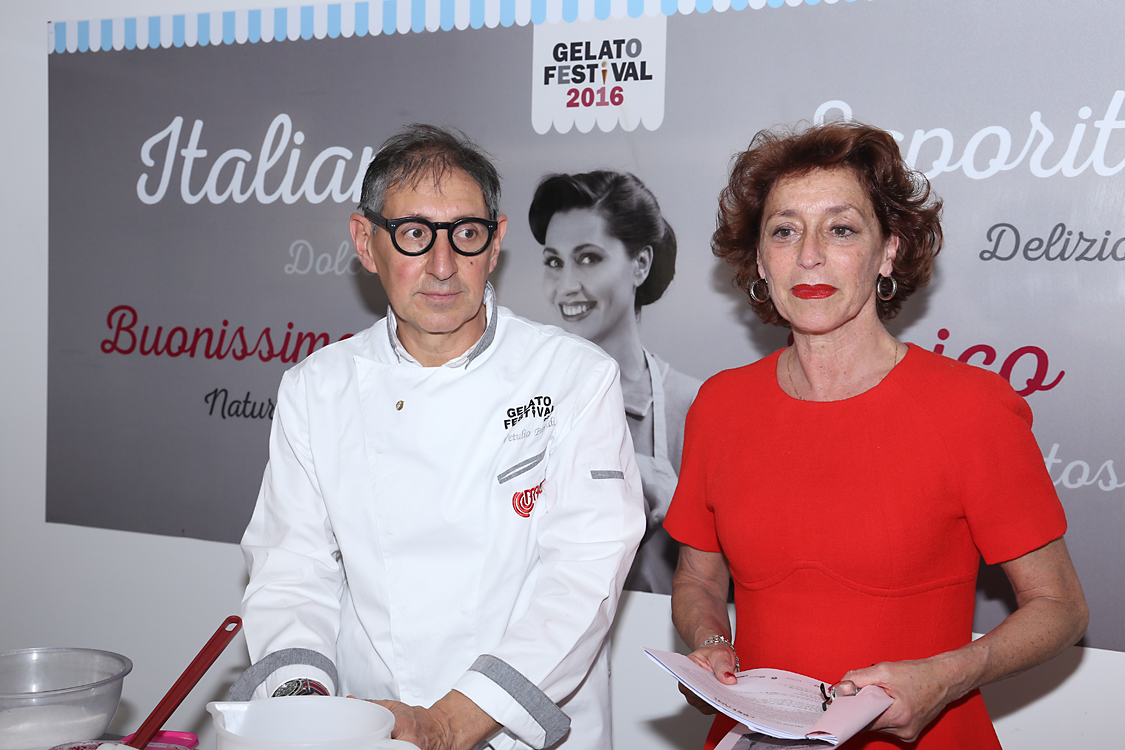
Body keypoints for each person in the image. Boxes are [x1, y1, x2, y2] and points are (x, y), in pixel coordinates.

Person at [663, 122, 1088, 749]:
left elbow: (1061, 607)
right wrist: (710, 644)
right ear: (758, 259)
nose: (809, 255)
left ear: (888, 250)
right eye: (784, 230)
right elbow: (697, 580)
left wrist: (947, 676)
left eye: (841, 229)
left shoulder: (971, 408)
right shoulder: (721, 404)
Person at [235, 124, 645, 750]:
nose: (443, 265)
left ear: (497, 241)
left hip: (517, 729)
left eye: (467, 234)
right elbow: (292, 570)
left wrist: (451, 721)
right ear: (365, 242)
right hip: (375, 725)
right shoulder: (316, 389)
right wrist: (305, 704)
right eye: (414, 235)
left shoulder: (573, 378)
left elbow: (583, 575)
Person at [529, 171, 700, 595]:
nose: (566, 286)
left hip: (653, 651)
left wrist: (680, 503)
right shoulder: (519, 402)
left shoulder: (693, 407)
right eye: (554, 262)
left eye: (588, 258)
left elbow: (730, 574)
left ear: (640, 264)